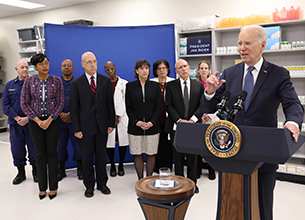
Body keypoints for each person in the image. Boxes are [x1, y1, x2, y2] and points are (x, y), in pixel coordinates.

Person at [201, 25, 304, 220]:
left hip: (264, 151)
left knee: (263, 204)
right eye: (240, 43)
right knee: (231, 201)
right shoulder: (229, 73)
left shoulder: (278, 74)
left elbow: (292, 104)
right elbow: (211, 107)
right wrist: (210, 92)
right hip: (231, 150)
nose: (242, 48)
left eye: (247, 43)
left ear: (263, 45)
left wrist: (293, 122)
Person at [70, 52, 115, 198]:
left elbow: (110, 104)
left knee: (102, 157)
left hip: (102, 127)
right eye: (89, 62)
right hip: (84, 128)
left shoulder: (105, 81)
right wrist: (76, 128)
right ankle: (89, 185)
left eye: (94, 61)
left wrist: (111, 123)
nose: (92, 64)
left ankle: (102, 183)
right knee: (87, 158)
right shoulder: (76, 83)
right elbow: (74, 108)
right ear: (82, 64)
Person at [21, 53, 64, 200]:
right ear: (35, 66)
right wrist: (38, 120)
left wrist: (50, 119)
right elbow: (24, 103)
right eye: (41, 64)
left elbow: (60, 103)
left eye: (47, 63)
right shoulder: (29, 81)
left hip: (53, 121)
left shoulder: (57, 81)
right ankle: (42, 187)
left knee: (52, 153)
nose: (45, 66)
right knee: (40, 154)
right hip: (35, 122)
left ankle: (53, 187)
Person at [165, 59, 204, 193]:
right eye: (180, 67)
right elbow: (168, 106)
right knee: (178, 156)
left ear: (189, 67)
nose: (183, 69)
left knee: (193, 156)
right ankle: (180, 183)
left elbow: (202, 105)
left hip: (193, 126)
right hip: (177, 126)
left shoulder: (198, 85)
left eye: (185, 66)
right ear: (176, 71)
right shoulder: (170, 86)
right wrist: (179, 120)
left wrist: (192, 120)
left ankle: (192, 183)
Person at [2, 60, 37, 185]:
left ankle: (36, 172)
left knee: (33, 147)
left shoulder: (34, 85)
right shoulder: (9, 85)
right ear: (16, 69)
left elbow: (37, 103)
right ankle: (20, 172)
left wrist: (28, 117)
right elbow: (5, 105)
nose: (25, 69)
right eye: (22, 67)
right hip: (15, 123)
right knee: (17, 148)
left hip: (31, 122)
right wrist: (17, 118)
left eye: (26, 67)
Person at [125, 59, 161, 180]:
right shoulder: (129, 86)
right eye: (141, 68)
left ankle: (149, 179)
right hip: (135, 126)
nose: (144, 71)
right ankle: (140, 180)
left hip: (153, 126)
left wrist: (152, 122)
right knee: (138, 153)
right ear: (137, 71)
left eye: (146, 68)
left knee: (151, 153)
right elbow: (128, 107)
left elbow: (158, 106)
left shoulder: (155, 86)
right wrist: (137, 122)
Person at [57, 59, 83, 181]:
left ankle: (80, 169)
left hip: (75, 121)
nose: (67, 68)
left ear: (73, 69)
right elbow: (52, 100)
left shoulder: (79, 82)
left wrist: (71, 115)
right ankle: (61, 170)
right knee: (60, 147)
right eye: (64, 66)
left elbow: (83, 102)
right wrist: (61, 114)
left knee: (78, 147)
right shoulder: (56, 83)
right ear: (61, 68)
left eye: (69, 66)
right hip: (59, 120)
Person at [104, 61, 129, 177]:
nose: (110, 71)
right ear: (105, 71)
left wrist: (118, 114)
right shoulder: (103, 83)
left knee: (122, 142)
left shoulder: (124, 84)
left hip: (122, 117)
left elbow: (126, 101)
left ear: (115, 68)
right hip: (108, 117)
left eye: (112, 68)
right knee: (110, 143)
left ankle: (121, 165)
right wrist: (111, 116)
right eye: (107, 70)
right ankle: (112, 165)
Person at [150, 59, 175, 173]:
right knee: (156, 143)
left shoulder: (173, 82)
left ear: (168, 69)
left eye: (164, 68)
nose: (162, 70)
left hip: (169, 118)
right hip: (155, 118)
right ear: (155, 71)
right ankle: (156, 167)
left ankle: (167, 166)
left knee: (168, 144)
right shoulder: (151, 83)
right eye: (159, 68)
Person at [196, 60, 216, 180]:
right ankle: (197, 170)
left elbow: (217, 102)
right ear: (198, 70)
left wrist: (210, 115)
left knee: (211, 144)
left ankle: (211, 170)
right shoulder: (195, 84)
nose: (203, 70)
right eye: (201, 68)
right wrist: (200, 116)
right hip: (199, 118)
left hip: (211, 117)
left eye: (206, 68)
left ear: (209, 70)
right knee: (198, 145)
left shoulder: (215, 83)